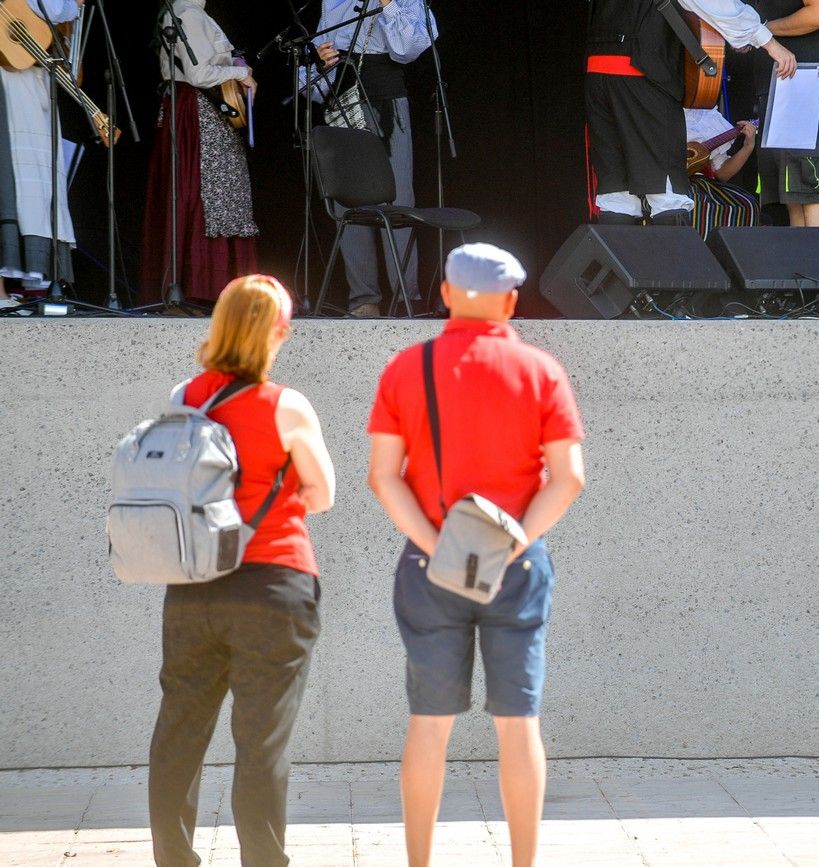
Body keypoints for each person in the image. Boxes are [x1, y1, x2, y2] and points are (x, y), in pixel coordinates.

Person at [367, 243, 586, 867]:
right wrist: (513, 541)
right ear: (511, 301)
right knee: (519, 725)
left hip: (430, 567)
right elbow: (568, 477)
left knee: (429, 723)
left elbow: (384, 476)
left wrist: (439, 546)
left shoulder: (407, 368)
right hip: (514, 568)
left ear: (443, 294)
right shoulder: (540, 370)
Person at [148, 275, 336, 865]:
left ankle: (174, 859)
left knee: (180, 731)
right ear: (276, 332)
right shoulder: (286, 404)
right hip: (274, 583)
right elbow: (323, 493)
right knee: (262, 741)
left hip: (193, 583)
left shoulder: (186, 397)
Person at [586, 0, 795, 226]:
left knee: (616, 192)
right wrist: (768, 42)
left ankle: (616, 262)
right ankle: (675, 262)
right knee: (666, 190)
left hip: (597, 73)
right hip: (642, 73)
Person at [303, 0, 432, 318]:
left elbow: (409, 48)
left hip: (387, 104)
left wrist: (388, 4)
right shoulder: (333, 2)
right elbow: (314, 80)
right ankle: (364, 300)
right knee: (348, 201)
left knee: (398, 198)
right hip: (344, 101)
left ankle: (406, 296)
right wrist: (320, 63)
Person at [140, 0, 259, 305]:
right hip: (198, 113)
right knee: (206, 193)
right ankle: (203, 286)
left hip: (190, 110)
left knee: (204, 194)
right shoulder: (189, 14)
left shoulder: (188, 13)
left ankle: (199, 286)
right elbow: (198, 73)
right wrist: (240, 72)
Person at [0, 0, 83, 308]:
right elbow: (51, 5)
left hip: (26, 74)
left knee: (25, 189)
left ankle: (29, 289)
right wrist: (71, 5)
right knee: (11, 185)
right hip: (10, 78)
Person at [751, 0, 819, 227]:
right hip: (783, 86)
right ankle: (803, 263)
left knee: (809, 191)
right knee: (793, 197)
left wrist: (761, 30)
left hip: (806, 85)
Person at [684, 108, 759, 238]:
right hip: (668, 184)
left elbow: (722, 173)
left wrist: (748, 147)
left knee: (746, 204)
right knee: (692, 203)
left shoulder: (706, 115)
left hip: (700, 184)